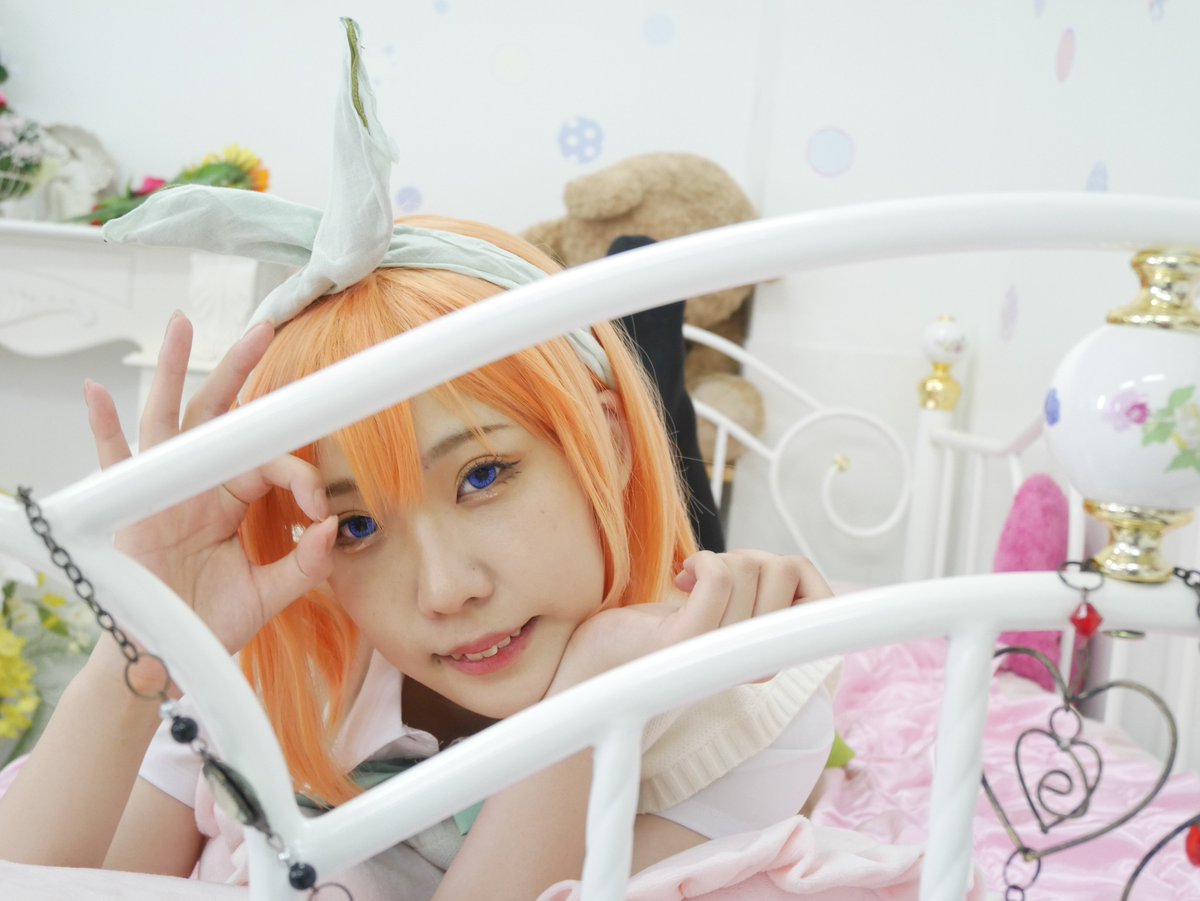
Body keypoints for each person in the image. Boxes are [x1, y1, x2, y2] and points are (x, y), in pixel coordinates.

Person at [0, 18, 837, 900]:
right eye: (357, 524)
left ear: (612, 438)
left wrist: (591, 695)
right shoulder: (267, 674)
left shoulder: (742, 714)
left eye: (482, 475)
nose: (445, 590)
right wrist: (142, 644)